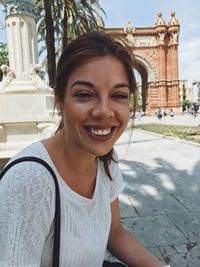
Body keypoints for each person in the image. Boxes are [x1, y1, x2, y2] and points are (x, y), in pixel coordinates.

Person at [0, 32, 166, 267]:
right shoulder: (30, 182)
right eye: (85, 94)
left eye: (119, 95)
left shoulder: (106, 159)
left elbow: (114, 232)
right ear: (59, 99)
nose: (104, 112)